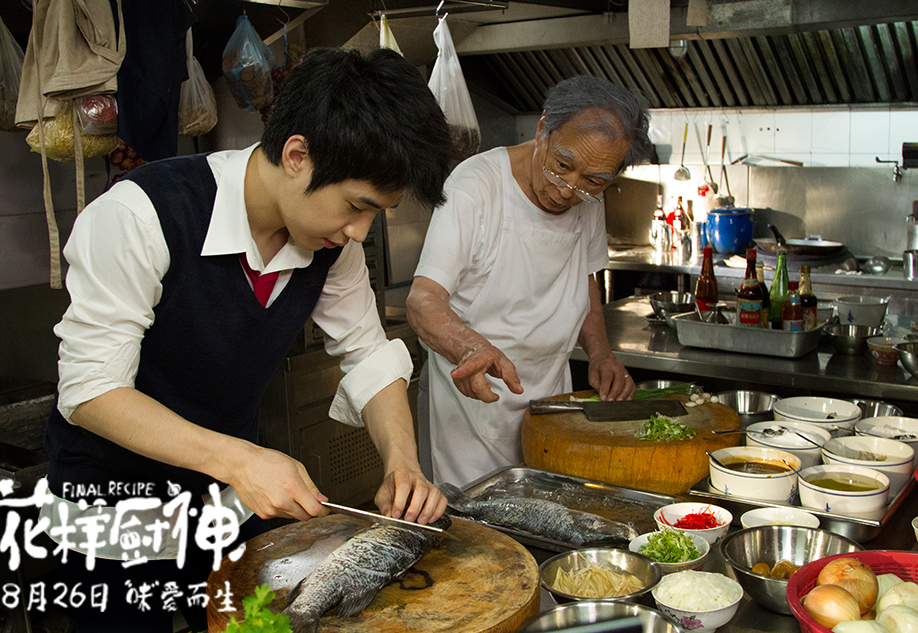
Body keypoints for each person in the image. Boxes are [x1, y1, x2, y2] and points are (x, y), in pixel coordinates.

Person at [40, 48, 451, 632]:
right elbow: (90, 390)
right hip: (112, 517)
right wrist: (240, 459)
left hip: (224, 507)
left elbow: (366, 351)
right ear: (297, 155)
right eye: (357, 207)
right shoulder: (143, 214)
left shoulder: (331, 246)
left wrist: (402, 463)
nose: (359, 231)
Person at [407, 75, 653, 488]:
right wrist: (469, 347)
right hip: (471, 405)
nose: (567, 190)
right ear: (542, 129)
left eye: (593, 181)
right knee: (472, 532)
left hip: (549, 404)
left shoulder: (586, 197)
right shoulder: (476, 187)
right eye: (562, 165)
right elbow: (423, 300)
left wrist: (600, 354)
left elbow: (585, 281)